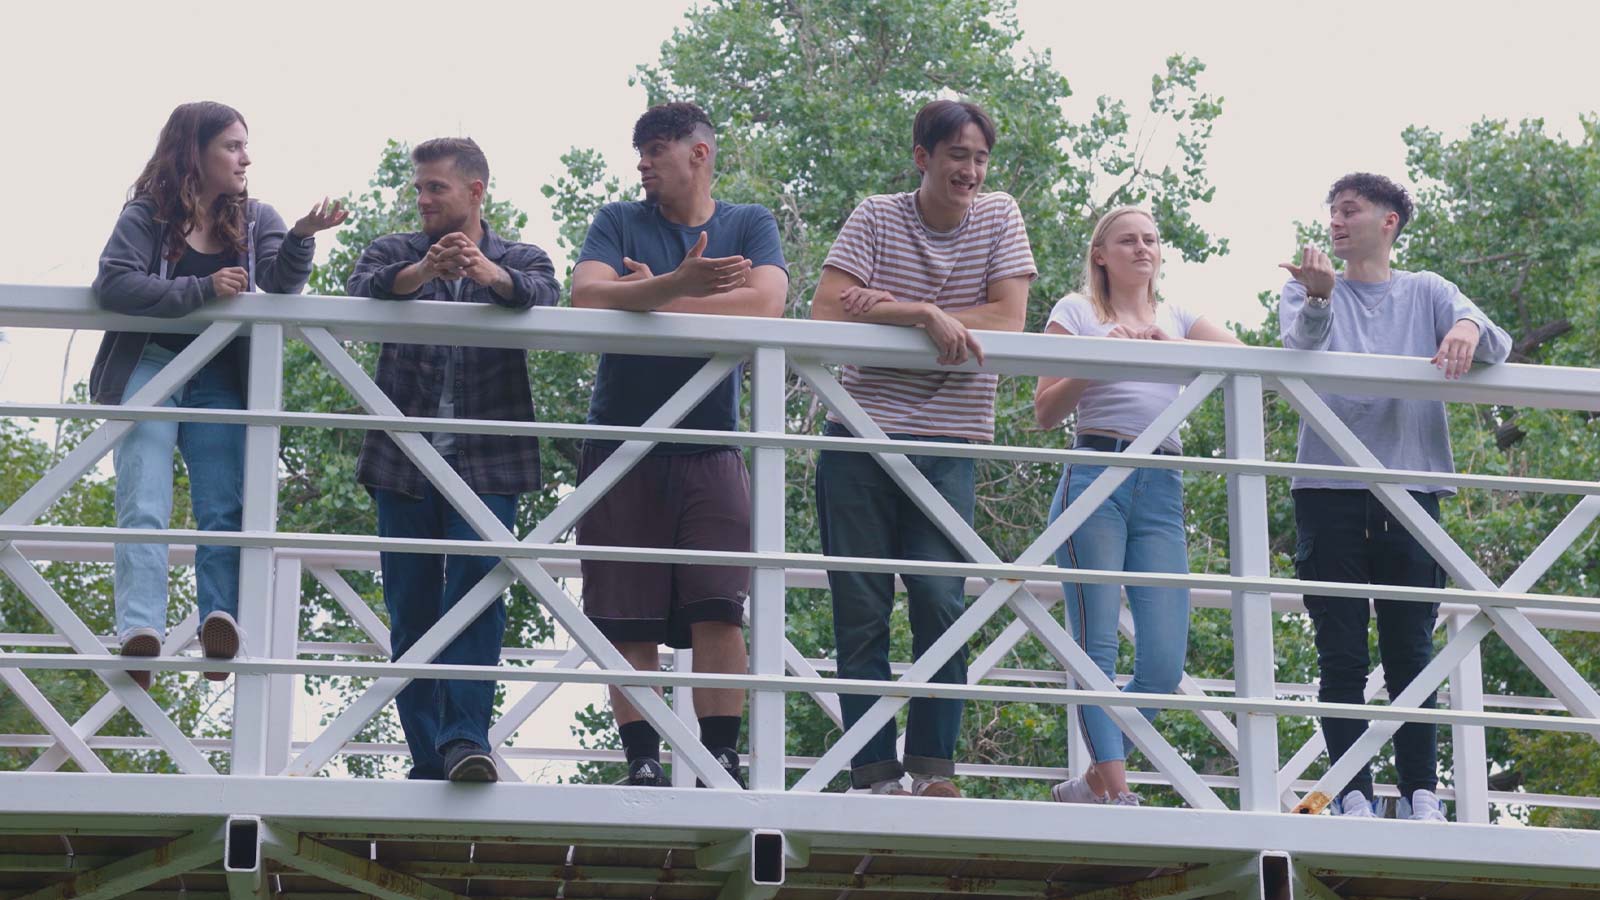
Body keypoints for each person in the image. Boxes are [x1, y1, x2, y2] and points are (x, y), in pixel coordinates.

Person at [810, 100, 1036, 797]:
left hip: (949, 440)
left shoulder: (999, 217)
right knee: (861, 608)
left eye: (978, 157)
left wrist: (885, 309)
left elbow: (1008, 317)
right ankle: (874, 772)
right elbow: (825, 309)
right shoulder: (877, 216)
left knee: (941, 601)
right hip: (858, 435)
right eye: (955, 156)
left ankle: (934, 768)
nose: (969, 170)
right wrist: (922, 315)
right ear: (922, 157)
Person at [1279, 172, 1511, 821]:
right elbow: (1298, 351)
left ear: (1389, 222)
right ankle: (1352, 792)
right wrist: (1320, 298)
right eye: (1331, 211)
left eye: (1349, 210)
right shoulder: (1303, 286)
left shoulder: (1428, 290)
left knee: (1411, 650)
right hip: (1328, 492)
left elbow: (1500, 344)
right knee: (1343, 653)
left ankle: (1420, 797)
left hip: (1413, 490)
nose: (1335, 221)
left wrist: (1465, 324)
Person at [570, 101, 788, 788]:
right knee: (623, 610)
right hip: (621, 443)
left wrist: (653, 299)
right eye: (639, 151)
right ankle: (643, 763)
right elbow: (586, 297)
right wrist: (683, 285)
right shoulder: (617, 220)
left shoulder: (748, 222)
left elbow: (765, 306)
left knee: (719, 607)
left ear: (699, 153)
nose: (642, 164)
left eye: (656, 149)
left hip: (709, 441)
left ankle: (720, 759)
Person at [92, 101, 345, 690]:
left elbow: (280, 283)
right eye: (232, 146)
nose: (245, 157)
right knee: (144, 496)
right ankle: (140, 632)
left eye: (244, 146)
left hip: (220, 375)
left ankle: (218, 622)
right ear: (194, 151)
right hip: (149, 365)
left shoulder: (257, 218)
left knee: (223, 506)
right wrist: (200, 289)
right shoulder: (148, 215)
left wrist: (303, 236)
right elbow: (114, 282)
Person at [347, 137, 559, 783]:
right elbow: (362, 288)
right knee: (410, 606)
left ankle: (466, 742)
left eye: (434, 187)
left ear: (475, 191)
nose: (422, 200)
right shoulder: (395, 250)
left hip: (489, 459)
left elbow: (544, 293)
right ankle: (425, 758)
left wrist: (488, 277)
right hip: (401, 460)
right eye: (418, 188)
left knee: (478, 592)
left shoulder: (518, 254)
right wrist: (424, 273)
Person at [1034, 206, 1241, 807]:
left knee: (1163, 660)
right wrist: (1099, 356)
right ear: (1101, 254)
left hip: (1162, 483)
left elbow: (1241, 356)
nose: (1143, 248)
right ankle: (1118, 794)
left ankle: (1092, 780)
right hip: (1095, 473)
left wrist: (1171, 345)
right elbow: (1045, 411)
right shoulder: (1076, 313)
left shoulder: (1177, 315)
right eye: (1128, 240)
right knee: (1095, 642)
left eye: (1151, 239)